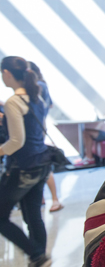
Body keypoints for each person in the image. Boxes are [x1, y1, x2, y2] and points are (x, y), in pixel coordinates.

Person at [0, 56, 52, 267]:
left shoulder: (14, 101)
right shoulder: (36, 97)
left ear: (7, 74)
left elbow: (16, 141)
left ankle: (36, 253)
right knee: (33, 215)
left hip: (22, 168)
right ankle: (39, 256)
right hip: (40, 163)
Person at [29, 61, 63, 213]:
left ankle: (54, 199)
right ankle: (44, 197)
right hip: (38, 128)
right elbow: (49, 105)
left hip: (36, 130)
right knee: (38, 163)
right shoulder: (42, 85)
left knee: (42, 164)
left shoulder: (39, 86)